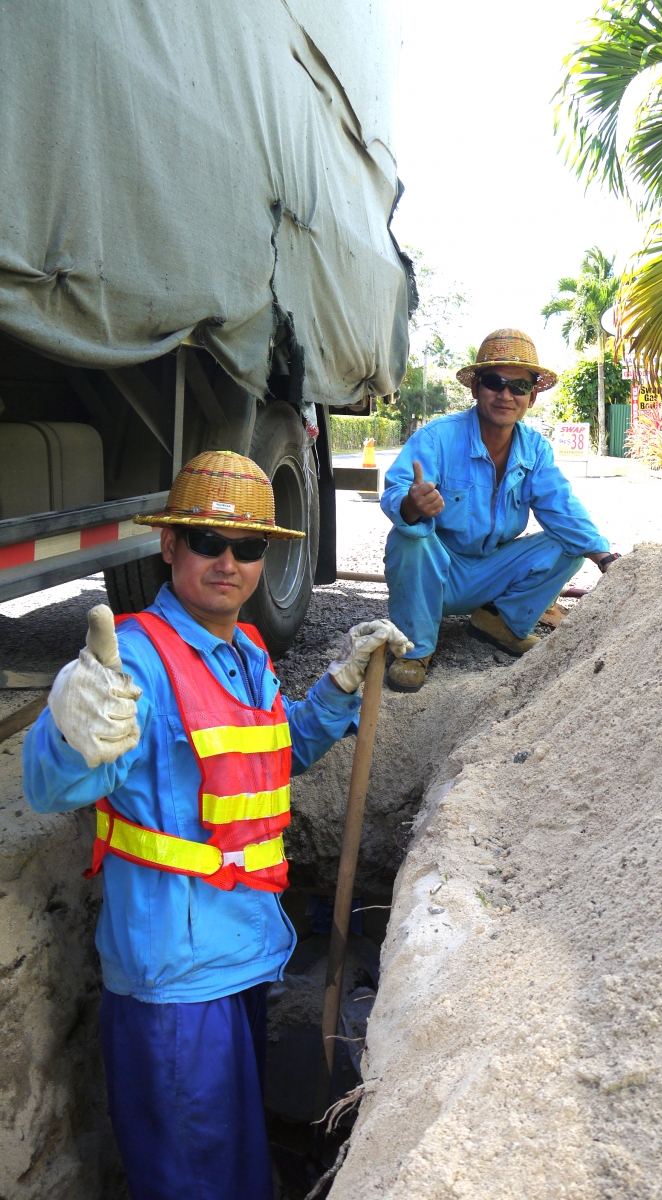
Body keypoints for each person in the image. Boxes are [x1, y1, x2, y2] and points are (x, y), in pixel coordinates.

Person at [21, 450, 411, 1200]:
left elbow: (265, 760)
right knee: (193, 1182)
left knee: (232, 1165)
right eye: (207, 541)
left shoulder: (245, 650)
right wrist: (67, 726)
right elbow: (56, 782)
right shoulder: (131, 661)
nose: (228, 561)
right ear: (170, 546)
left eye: (250, 547)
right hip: (172, 984)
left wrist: (334, 689)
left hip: (240, 956)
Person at [381, 328, 618, 692]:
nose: (506, 394)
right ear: (476, 387)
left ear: (532, 396)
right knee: (407, 537)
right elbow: (397, 491)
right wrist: (412, 505)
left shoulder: (536, 450)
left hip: (491, 571)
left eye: (519, 386)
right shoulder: (437, 438)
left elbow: (562, 507)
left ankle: (499, 623)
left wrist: (604, 557)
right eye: (495, 382)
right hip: (438, 573)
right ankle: (415, 648)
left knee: (569, 543)